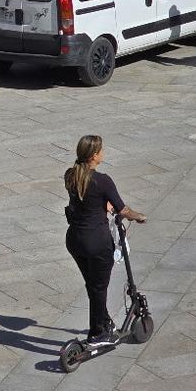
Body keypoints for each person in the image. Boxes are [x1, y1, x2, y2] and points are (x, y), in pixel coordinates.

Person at [65, 135, 146, 345]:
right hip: (96, 241)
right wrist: (139, 216)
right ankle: (97, 333)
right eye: (101, 150)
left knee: (92, 285)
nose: (104, 153)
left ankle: (103, 321)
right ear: (94, 155)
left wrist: (102, 205)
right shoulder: (103, 181)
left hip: (75, 239)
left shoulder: (71, 175)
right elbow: (124, 210)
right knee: (99, 286)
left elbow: (84, 198)